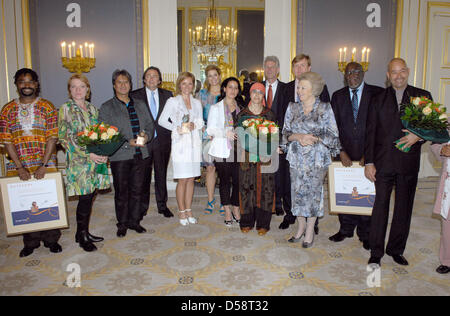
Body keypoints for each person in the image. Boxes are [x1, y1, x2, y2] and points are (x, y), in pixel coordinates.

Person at [365, 58, 433, 266]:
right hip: (383, 163)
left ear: (408, 71)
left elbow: (433, 128)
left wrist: (417, 136)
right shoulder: (378, 99)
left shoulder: (423, 97)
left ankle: (396, 249)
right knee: (380, 208)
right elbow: (370, 133)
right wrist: (369, 162)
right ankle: (376, 252)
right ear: (388, 75)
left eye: (402, 71)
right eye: (394, 72)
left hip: (408, 163)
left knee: (404, 207)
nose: (398, 75)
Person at [0, 68, 62, 257]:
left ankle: (52, 240)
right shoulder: (7, 110)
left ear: (36, 84)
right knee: (24, 204)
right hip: (18, 165)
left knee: (48, 202)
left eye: (30, 81)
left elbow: (52, 138)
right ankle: (30, 242)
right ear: (16, 85)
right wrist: (19, 167)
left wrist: (43, 165)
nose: (26, 85)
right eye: (22, 81)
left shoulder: (47, 107)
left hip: (46, 163)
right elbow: (6, 140)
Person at [282, 72, 340, 248]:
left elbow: (333, 135)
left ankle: (309, 229)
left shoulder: (325, 108)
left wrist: (313, 137)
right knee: (297, 193)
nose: (299, 90)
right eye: (299, 87)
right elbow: (284, 133)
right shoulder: (292, 107)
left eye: (303, 87)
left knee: (313, 194)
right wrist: (298, 136)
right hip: (296, 158)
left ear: (314, 90)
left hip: (317, 159)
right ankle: (300, 227)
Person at [329, 62, 383, 250]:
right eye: (348, 72)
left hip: (367, 156)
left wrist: (369, 155)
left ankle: (366, 234)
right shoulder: (337, 96)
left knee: (366, 194)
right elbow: (332, 127)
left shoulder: (377, 93)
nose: (352, 75)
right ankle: (345, 229)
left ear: (363, 72)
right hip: (344, 153)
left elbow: (380, 128)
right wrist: (340, 150)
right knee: (344, 192)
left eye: (355, 72)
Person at [98, 69, 154, 238]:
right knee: (122, 191)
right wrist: (126, 141)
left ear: (130, 85)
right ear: (114, 85)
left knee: (138, 189)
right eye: (119, 82)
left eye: (126, 82)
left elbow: (150, 126)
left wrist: (146, 136)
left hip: (140, 154)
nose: (123, 85)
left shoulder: (140, 104)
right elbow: (104, 132)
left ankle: (134, 221)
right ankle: (122, 223)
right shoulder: (107, 107)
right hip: (120, 156)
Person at [58, 74, 110, 252]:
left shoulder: (92, 109)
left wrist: (103, 153)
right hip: (80, 162)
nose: (78, 90)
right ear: (69, 90)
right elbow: (64, 138)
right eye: (74, 87)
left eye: (81, 86)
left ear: (88, 89)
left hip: (95, 162)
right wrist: (90, 153)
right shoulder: (66, 108)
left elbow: (99, 135)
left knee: (90, 196)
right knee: (85, 198)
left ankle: (84, 232)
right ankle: (81, 236)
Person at [279, 54, 330, 231]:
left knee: (314, 190)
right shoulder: (285, 90)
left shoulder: (322, 92)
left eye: (302, 66)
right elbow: (282, 122)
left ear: (309, 68)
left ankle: (312, 224)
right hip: (294, 152)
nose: (299, 70)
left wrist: (313, 139)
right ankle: (292, 216)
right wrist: (287, 141)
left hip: (316, 155)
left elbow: (328, 127)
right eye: (296, 66)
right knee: (292, 187)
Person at [159, 72, 204, 226]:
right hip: (180, 145)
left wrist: (195, 125)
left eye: (190, 83)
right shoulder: (172, 101)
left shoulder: (197, 103)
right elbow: (162, 120)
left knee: (191, 179)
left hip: (194, 145)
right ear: (179, 85)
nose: (187, 86)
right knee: (182, 179)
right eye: (184, 83)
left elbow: (201, 122)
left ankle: (189, 209)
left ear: (193, 86)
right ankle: (181, 211)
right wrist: (176, 128)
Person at [130, 66, 174, 219]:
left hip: (163, 141)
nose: (151, 78)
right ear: (144, 79)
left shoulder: (168, 95)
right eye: (148, 76)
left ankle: (162, 206)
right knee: (144, 176)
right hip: (144, 141)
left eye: (154, 76)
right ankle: (142, 208)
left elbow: (172, 117)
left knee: (161, 175)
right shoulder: (134, 95)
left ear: (159, 80)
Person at [237, 83, 277, 236]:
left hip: (265, 159)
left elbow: (273, 138)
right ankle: (246, 222)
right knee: (246, 188)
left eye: (260, 92)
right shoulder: (242, 115)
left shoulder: (269, 114)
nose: (257, 95)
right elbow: (239, 140)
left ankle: (263, 224)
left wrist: (268, 151)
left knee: (265, 189)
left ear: (263, 96)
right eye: (254, 92)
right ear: (250, 94)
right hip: (246, 158)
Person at [207, 77, 243, 226]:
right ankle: (227, 210)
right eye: (230, 87)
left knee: (238, 181)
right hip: (222, 149)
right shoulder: (216, 108)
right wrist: (225, 133)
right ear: (224, 89)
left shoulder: (241, 107)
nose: (233, 90)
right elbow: (210, 129)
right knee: (225, 182)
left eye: (235, 88)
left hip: (239, 150)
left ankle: (236, 207)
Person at [195, 65, 223, 216]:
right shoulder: (202, 94)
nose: (213, 78)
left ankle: (225, 202)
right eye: (209, 76)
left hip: (224, 137)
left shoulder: (226, 92)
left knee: (224, 170)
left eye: (215, 75)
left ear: (219, 75)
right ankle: (211, 200)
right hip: (207, 137)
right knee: (210, 168)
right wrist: (207, 132)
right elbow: (197, 116)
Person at [262, 56, 287, 217]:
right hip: (260, 138)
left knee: (278, 172)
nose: (270, 69)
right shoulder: (256, 88)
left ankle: (278, 203)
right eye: (267, 67)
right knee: (263, 171)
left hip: (280, 138)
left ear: (278, 70)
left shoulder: (287, 89)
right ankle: (265, 202)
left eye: (273, 67)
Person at [431, 141, 450, 274]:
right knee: (447, 222)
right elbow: (435, 140)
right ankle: (447, 260)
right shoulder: (445, 120)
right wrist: (442, 149)